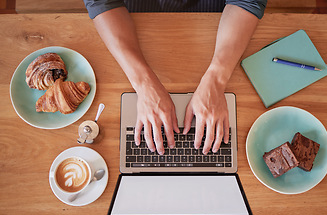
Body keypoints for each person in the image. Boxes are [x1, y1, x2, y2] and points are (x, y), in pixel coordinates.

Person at [83, 0, 267, 155]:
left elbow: (247, 1)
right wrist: (144, 83)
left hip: (218, 15)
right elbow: (102, 2)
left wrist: (217, 78)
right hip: (132, 13)